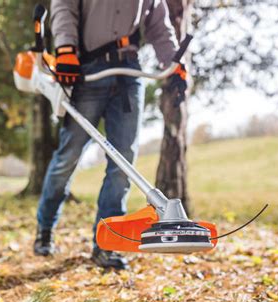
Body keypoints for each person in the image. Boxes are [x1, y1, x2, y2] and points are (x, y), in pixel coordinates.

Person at [34, 0, 188, 270]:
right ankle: (44, 229)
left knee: (123, 164)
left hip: (128, 73)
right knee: (67, 158)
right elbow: (63, 6)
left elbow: (160, 26)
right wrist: (66, 49)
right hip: (85, 71)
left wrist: (175, 63)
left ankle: (108, 244)